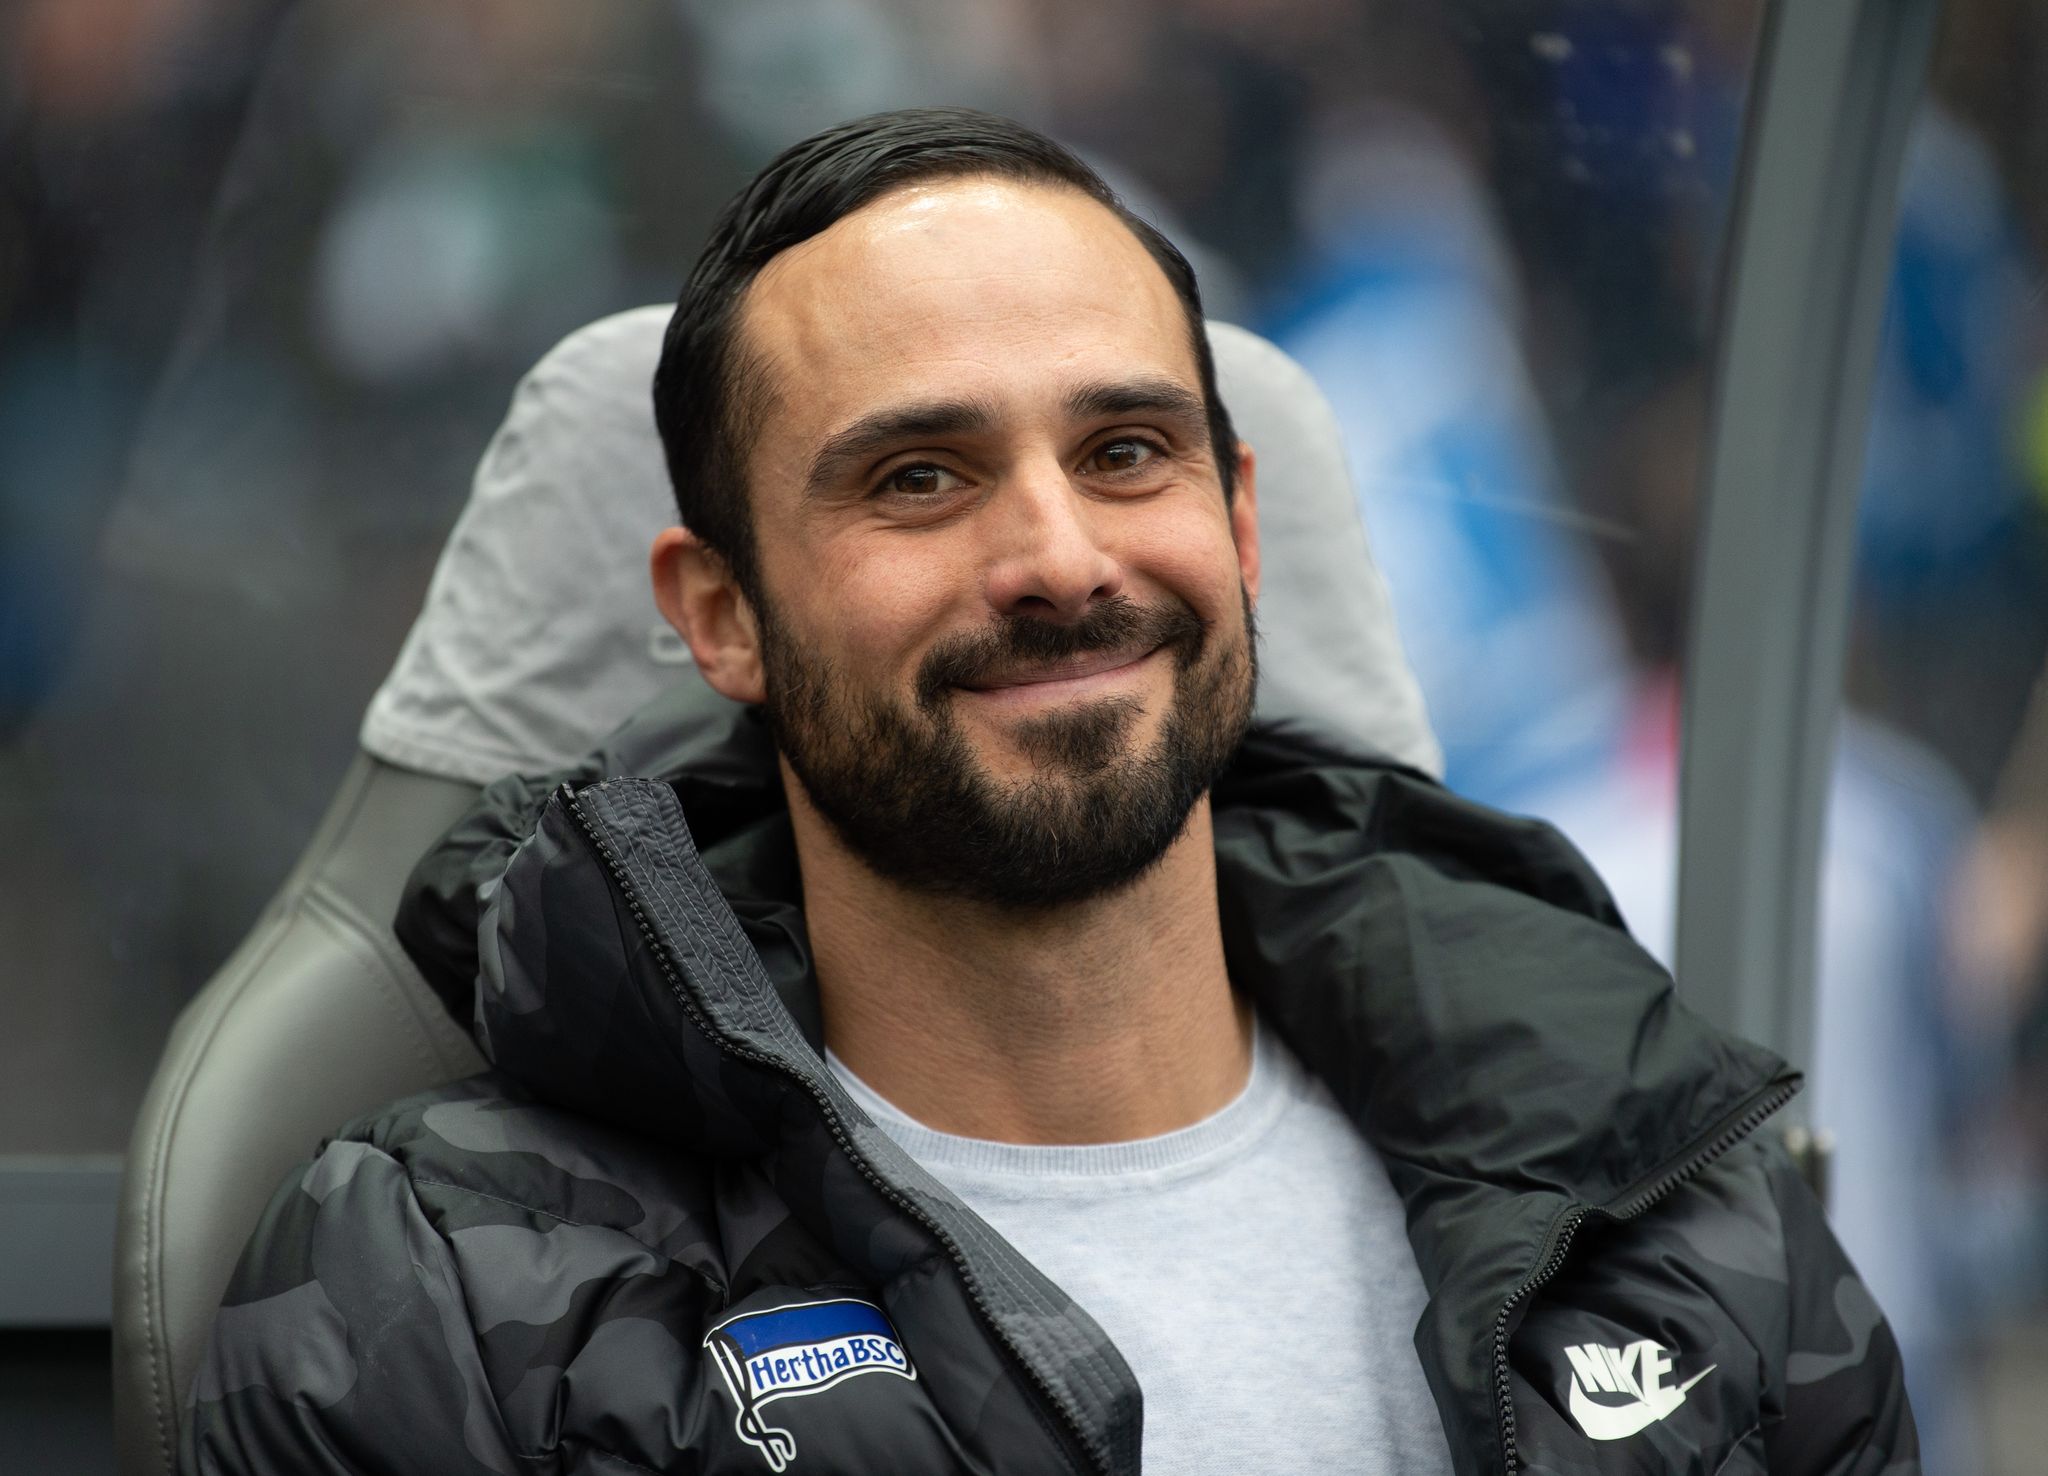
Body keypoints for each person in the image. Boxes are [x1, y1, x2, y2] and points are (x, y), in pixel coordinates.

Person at [181, 108, 1916, 1475]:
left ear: (1242, 524)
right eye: (919, 478)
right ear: (722, 618)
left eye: (1126, 452)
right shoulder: (444, 1291)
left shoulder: (1667, 1211)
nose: (1060, 558)